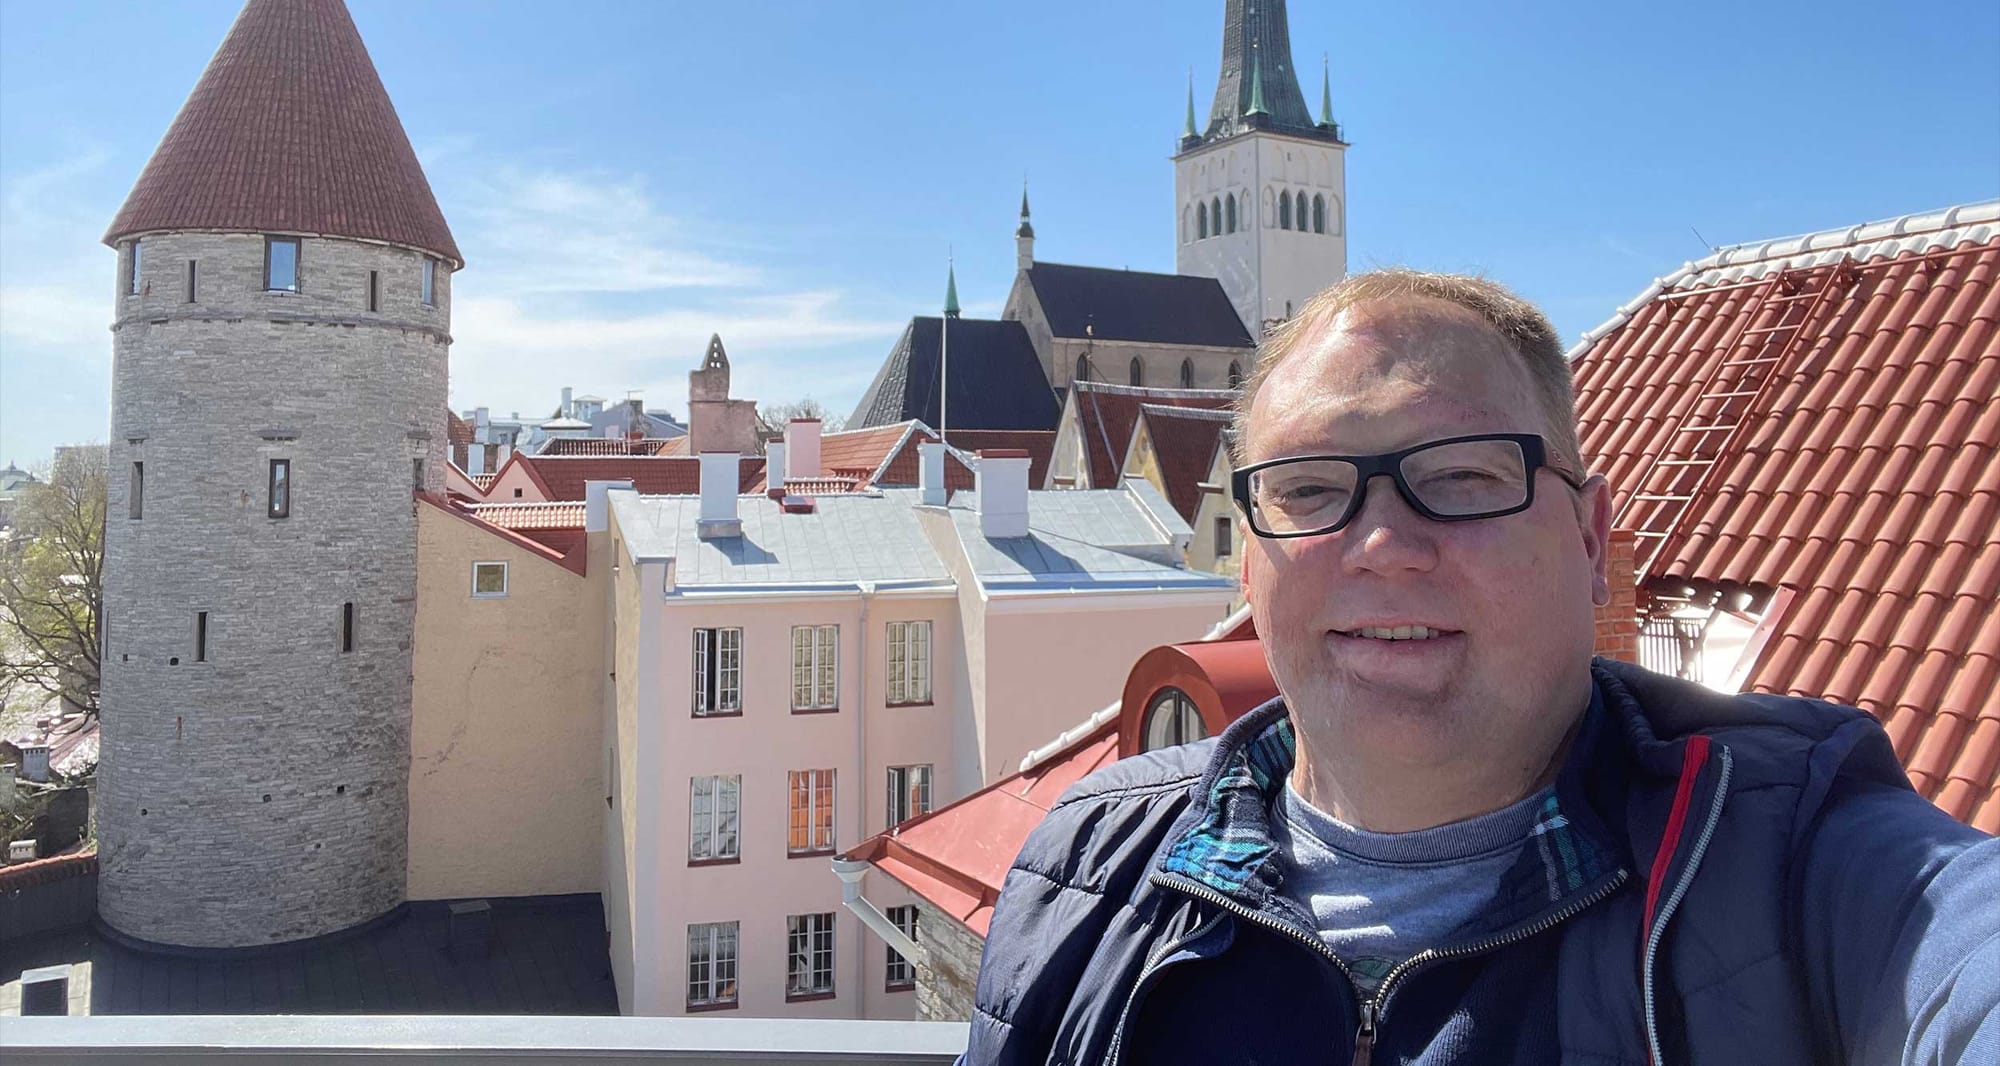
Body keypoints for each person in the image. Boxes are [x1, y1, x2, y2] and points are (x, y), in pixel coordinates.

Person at [959, 270, 1998, 1065]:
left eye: (1461, 476)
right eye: (1311, 491)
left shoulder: (1785, 865)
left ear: (1593, 542)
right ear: (1245, 559)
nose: (1382, 545)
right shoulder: (1085, 867)